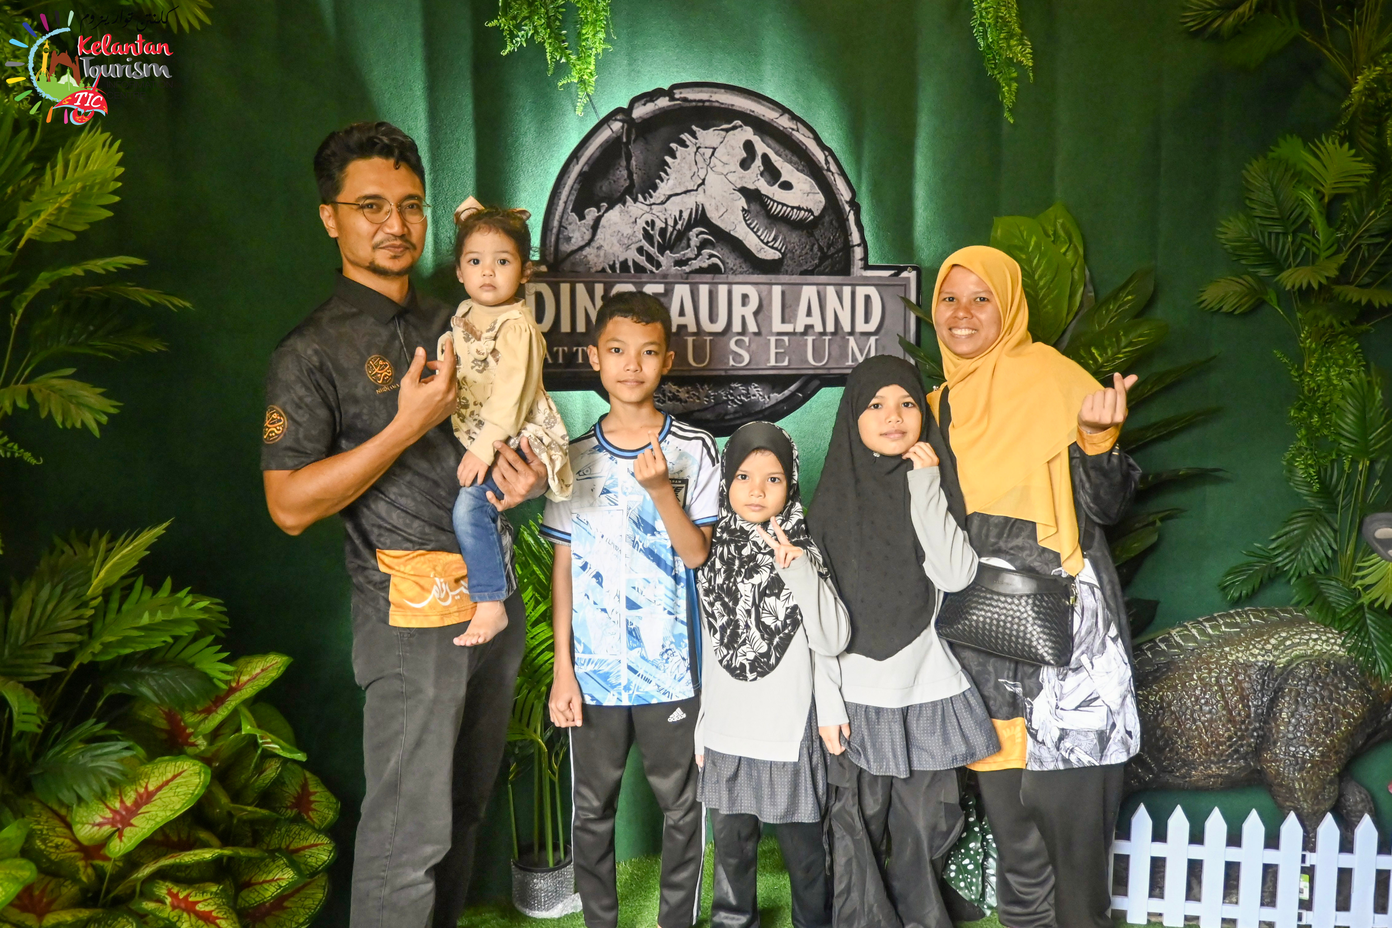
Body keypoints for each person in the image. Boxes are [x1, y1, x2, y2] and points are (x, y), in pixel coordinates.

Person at [260, 121, 549, 928]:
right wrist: (404, 426)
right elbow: (288, 507)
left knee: (463, 814)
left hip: (491, 604)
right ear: (330, 217)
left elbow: (499, 437)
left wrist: (520, 483)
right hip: (407, 615)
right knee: (406, 835)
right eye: (371, 206)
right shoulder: (309, 352)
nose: (395, 224)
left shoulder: (462, 322)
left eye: (411, 205)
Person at [927, 245, 1140, 928]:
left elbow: (1107, 507)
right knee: (1018, 853)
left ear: (1010, 307)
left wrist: (1098, 440)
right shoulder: (936, 407)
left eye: (981, 298)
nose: (962, 313)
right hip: (982, 650)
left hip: (1067, 652)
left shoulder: (1057, 379)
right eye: (950, 298)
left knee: (1077, 864)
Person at [542, 291, 719, 928]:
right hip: (593, 676)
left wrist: (661, 490)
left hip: (672, 670)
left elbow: (697, 555)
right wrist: (562, 670)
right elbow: (563, 569)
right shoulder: (571, 458)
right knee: (591, 810)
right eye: (617, 351)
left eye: (647, 353)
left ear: (666, 361)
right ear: (595, 358)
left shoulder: (696, 448)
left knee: (681, 806)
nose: (631, 365)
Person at [808, 354, 999, 928]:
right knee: (855, 823)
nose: (893, 416)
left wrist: (925, 485)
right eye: (875, 404)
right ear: (852, 417)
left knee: (926, 823)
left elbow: (955, 575)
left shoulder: (934, 484)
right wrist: (828, 702)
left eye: (907, 403)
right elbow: (816, 619)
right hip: (855, 696)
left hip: (926, 688)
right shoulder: (829, 506)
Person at [694, 422, 850, 928]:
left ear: (792, 484)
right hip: (726, 729)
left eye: (773, 478)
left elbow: (830, 641)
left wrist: (797, 570)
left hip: (788, 726)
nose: (756, 490)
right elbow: (711, 649)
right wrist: (702, 728)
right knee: (732, 851)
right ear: (725, 482)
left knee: (805, 854)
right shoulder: (710, 556)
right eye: (743, 476)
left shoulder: (806, 549)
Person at [439, 199, 572, 647]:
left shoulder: (517, 326)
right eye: (475, 261)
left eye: (502, 262)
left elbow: (512, 396)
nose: (488, 272)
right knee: (472, 506)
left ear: (524, 271)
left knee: (470, 507)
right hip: (481, 433)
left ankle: (491, 602)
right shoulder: (464, 313)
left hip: (513, 434)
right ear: (459, 271)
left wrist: (484, 448)